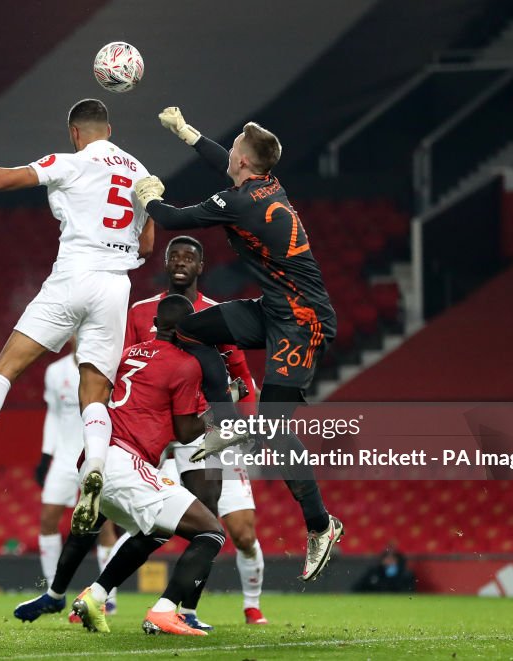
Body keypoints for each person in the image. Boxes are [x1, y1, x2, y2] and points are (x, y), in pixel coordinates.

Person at [0, 99, 155, 537]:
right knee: (94, 391)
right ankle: (96, 466)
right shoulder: (139, 172)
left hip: (73, 275)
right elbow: (149, 245)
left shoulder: (69, 161)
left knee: (7, 367)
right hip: (116, 287)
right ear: (109, 130)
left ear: (75, 133)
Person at [133, 108, 343, 581]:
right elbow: (219, 160)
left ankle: (320, 525)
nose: (228, 153)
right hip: (273, 309)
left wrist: (148, 195)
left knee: (273, 431)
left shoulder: (241, 202)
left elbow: (172, 217)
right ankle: (226, 417)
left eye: (234, 150)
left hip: (302, 323)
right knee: (186, 327)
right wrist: (186, 131)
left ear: (244, 162)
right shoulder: (267, 185)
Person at [124, 235, 267, 626]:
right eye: (175, 256)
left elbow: (242, 375)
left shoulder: (220, 314)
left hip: (207, 429)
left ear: (201, 266)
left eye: (190, 256)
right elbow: (126, 369)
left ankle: (232, 606)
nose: (181, 262)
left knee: (232, 528)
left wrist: (248, 423)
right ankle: (104, 595)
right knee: (150, 523)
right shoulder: (140, 313)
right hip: (157, 435)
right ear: (166, 263)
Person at [71, 295, 225, 637]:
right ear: (186, 328)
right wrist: (216, 412)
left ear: (156, 323)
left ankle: (95, 596)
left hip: (95, 458)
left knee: (153, 532)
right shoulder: (184, 364)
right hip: (127, 461)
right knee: (211, 532)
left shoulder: (128, 354)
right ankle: (165, 611)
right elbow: (186, 432)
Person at [14, 341, 119, 622]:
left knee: (103, 525)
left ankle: (107, 598)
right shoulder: (55, 371)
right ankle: (53, 590)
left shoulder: (107, 366)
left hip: (94, 456)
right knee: (48, 519)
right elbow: (54, 414)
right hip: (63, 458)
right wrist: (46, 455)